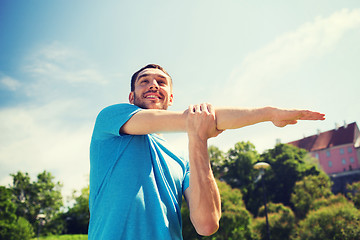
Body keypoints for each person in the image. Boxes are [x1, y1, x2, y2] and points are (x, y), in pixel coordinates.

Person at [88, 64, 325, 240]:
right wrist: (268, 113)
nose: (153, 85)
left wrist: (199, 138)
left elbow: (207, 224)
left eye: (161, 82)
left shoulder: (184, 158)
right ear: (131, 97)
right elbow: (196, 120)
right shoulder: (111, 120)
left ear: (171, 97)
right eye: (144, 81)